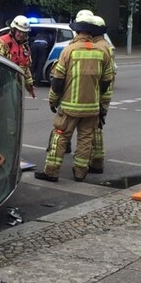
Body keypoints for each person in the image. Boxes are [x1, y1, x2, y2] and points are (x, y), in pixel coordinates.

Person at [36, 11, 114, 183]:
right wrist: (99, 101)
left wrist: (53, 100)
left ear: (77, 31)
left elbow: (57, 80)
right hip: (91, 108)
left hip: (70, 107)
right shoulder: (102, 52)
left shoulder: (68, 51)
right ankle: (80, 173)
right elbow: (107, 81)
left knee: (60, 136)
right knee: (85, 140)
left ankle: (51, 172)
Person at [89, 14, 114, 174]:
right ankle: (96, 160)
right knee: (97, 125)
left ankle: (96, 161)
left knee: (95, 127)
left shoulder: (99, 47)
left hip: (100, 93)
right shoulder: (106, 44)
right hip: (105, 92)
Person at [0, 15, 36, 98]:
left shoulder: (25, 47)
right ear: (13, 30)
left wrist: (29, 86)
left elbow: (25, 69)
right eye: (19, 31)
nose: (21, 34)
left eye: (24, 32)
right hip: (3, 86)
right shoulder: (2, 42)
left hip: (17, 88)